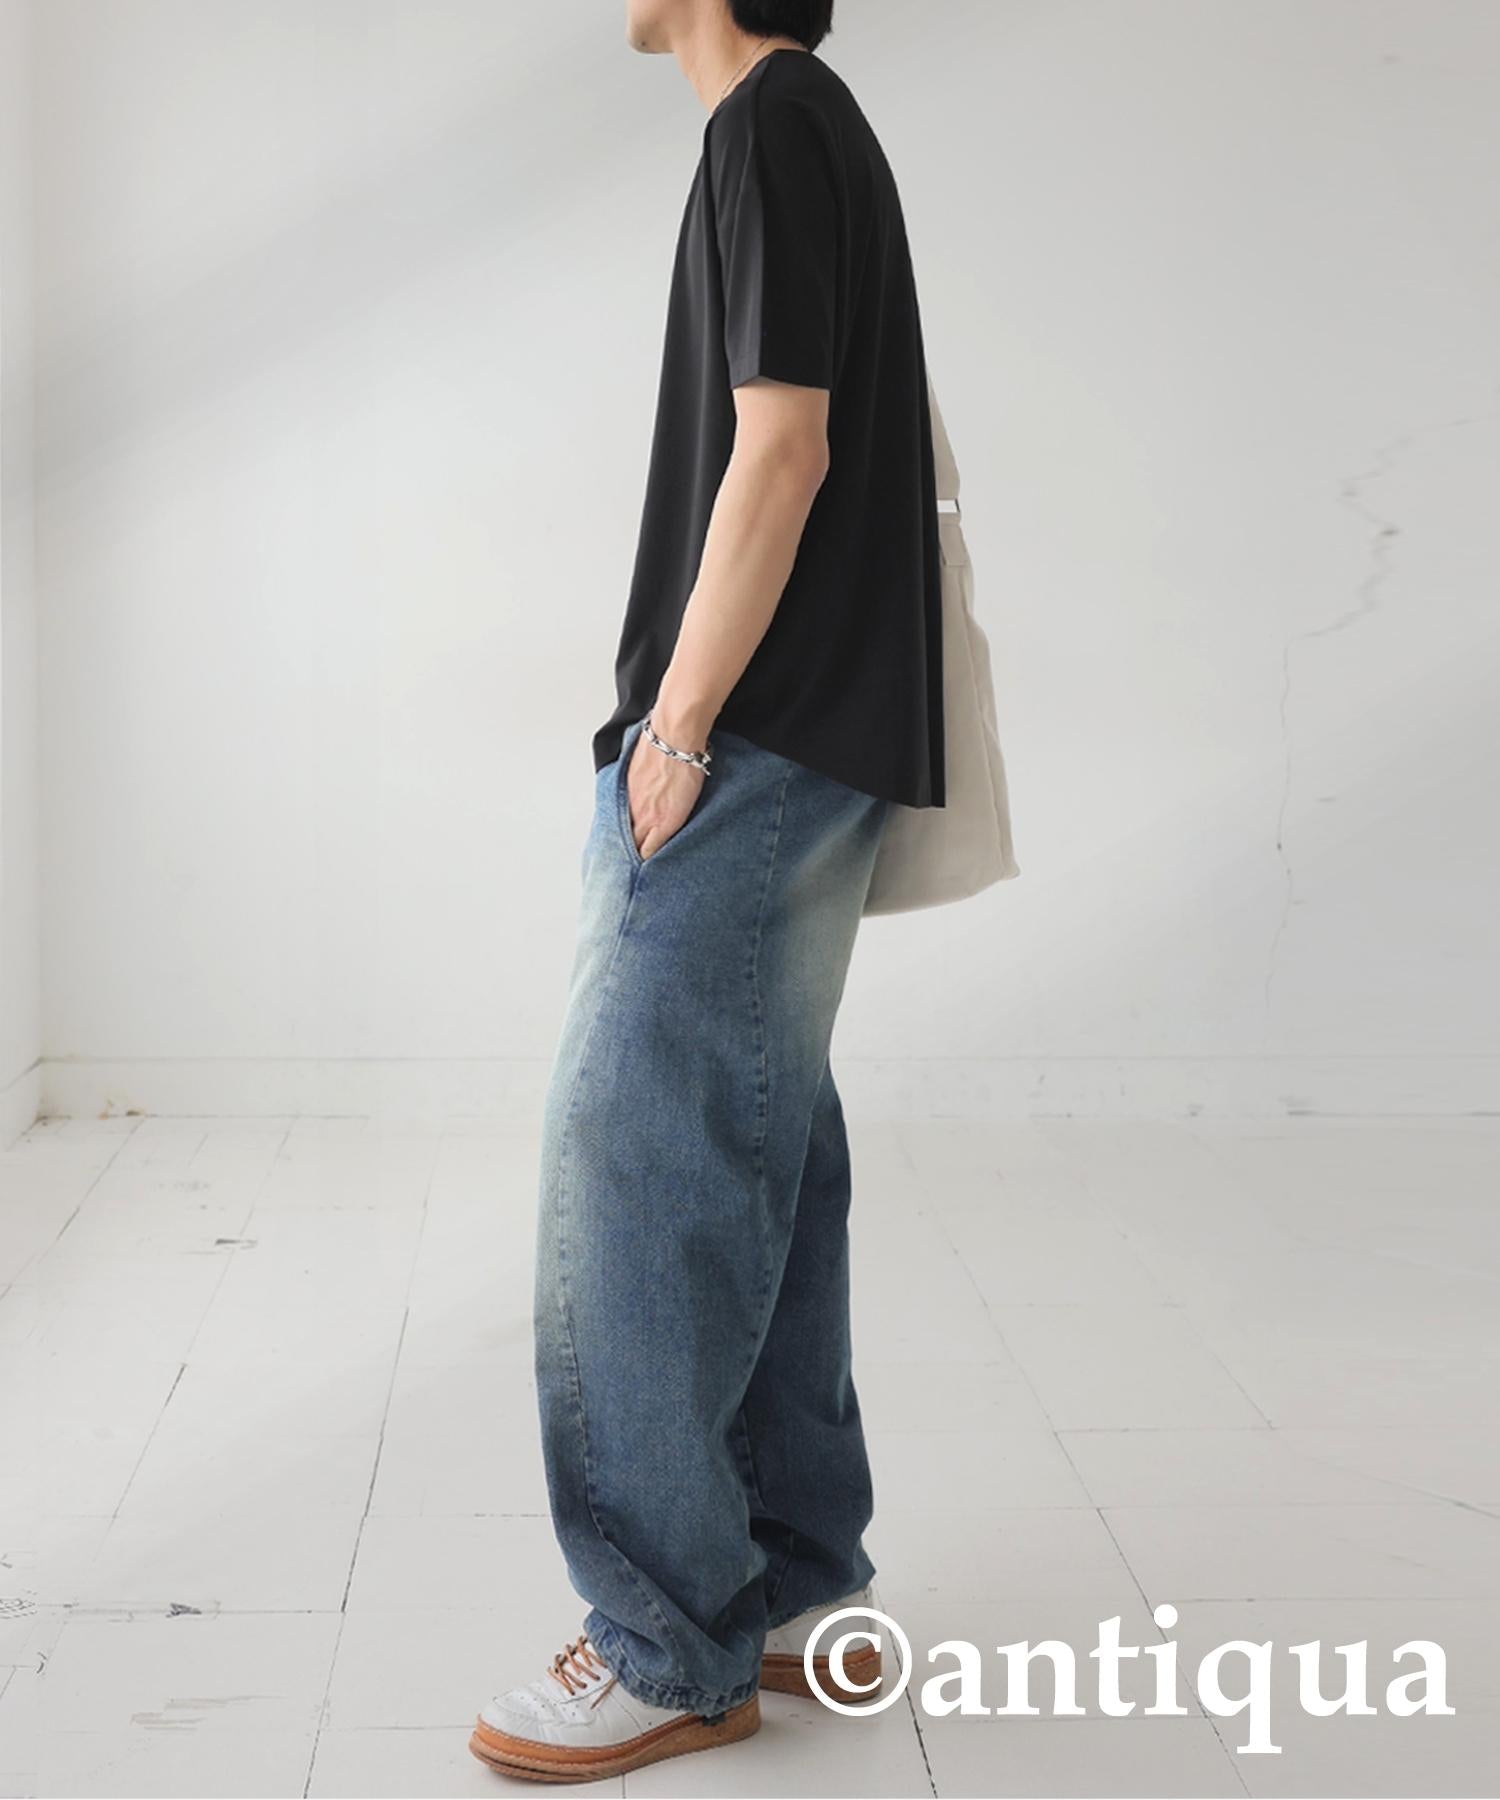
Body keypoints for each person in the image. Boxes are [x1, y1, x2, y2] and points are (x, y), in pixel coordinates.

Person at [471, 0, 944, 1780]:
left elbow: (784, 445)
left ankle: (668, 1641)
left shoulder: (769, 125)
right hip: (804, 737)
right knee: (760, 1144)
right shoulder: (803, 124)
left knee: (640, 1157)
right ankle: (796, 1586)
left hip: (744, 742)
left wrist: (674, 730)